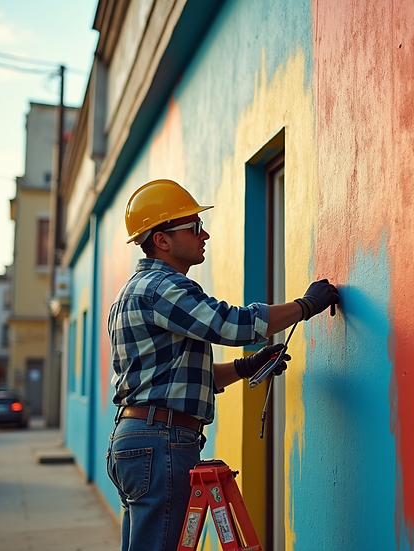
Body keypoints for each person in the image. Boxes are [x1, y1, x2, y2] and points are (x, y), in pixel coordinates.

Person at [106, 178, 339, 551]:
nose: (205, 234)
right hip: (161, 440)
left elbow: (180, 379)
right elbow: (231, 325)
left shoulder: (132, 292)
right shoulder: (162, 288)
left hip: (140, 438)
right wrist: (305, 306)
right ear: (162, 240)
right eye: (194, 227)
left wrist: (247, 368)